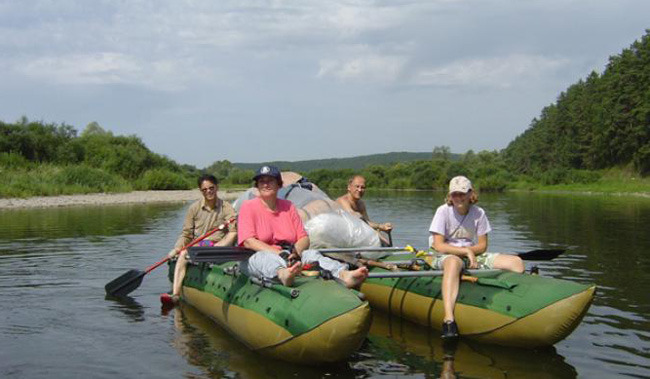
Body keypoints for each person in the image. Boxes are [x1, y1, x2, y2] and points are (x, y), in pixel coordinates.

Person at [238, 165, 368, 288]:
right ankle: (283, 274)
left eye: (270, 181)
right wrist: (279, 253)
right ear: (257, 185)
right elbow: (249, 241)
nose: (265, 184)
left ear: (279, 185)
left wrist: (295, 251)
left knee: (311, 254)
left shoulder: (288, 206)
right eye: (261, 181)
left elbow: (303, 237)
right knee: (264, 257)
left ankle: (343, 274)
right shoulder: (248, 207)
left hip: (289, 255)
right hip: (258, 256)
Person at [429, 176, 524, 339]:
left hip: (473, 252)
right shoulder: (442, 211)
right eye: (455, 194)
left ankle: (516, 301)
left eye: (462, 193)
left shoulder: (478, 213)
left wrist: (470, 252)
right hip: (447, 253)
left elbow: (482, 245)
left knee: (516, 262)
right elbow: (438, 245)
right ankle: (448, 319)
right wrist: (466, 252)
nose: (458, 198)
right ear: (450, 195)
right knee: (453, 263)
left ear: (470, 194)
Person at [166, 174, 237, 303]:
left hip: (218, 246)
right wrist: (177, 248)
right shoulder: (193, 208)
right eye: (205, 190)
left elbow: (232, 233)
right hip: (199, 246)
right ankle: (176, 294)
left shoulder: (227, 208)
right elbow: (187, 234)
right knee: (182, 254)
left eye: (211, 188)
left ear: (217, 187)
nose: (208, 191)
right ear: (200, 191)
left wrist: (218, 247)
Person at [336, 175, 393, 243]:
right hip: (339, 237)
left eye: (362, 187)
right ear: (349, 187)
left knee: (384, 242)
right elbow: (357, 220)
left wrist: (384, 238)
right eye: (357, 186)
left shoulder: (361, 203)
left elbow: (367, 223)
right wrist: (380, 226)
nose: (360, 190)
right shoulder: (342, 201)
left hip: (353, 236)